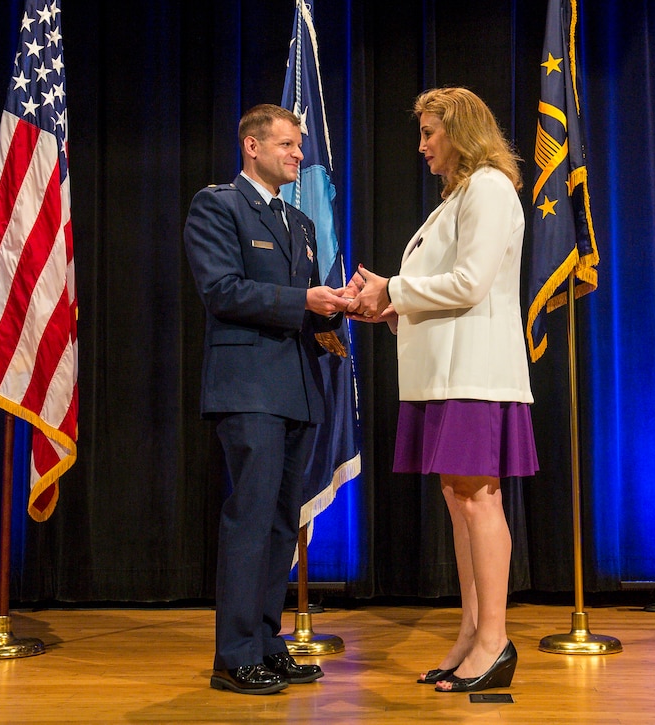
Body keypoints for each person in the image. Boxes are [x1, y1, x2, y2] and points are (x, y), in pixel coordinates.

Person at [346, 87, 538, 693]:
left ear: (460, 133)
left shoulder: (488, 187)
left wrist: (394, 291)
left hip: (474, 372)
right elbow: (441, 287)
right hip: (444, 373)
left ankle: (496, 639)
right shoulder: (456, 199)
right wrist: (386, 302)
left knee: (478, 499)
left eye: (430, 132)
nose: (423, 145)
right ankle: (472, 631)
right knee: (461, 500)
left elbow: (472, 283)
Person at [183, 104, 350, 695]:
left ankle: (265, 641)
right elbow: (222, 291)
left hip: (297, 389)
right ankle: (233, 656)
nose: (298, 155)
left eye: (299, 147)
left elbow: (301, 302)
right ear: (251, 147)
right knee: (250, 520)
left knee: (282, 523)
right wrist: (305, 303)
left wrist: (339, 309)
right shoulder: (218, 205)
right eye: (287, 145)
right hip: (248, 386)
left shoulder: (301, 224)